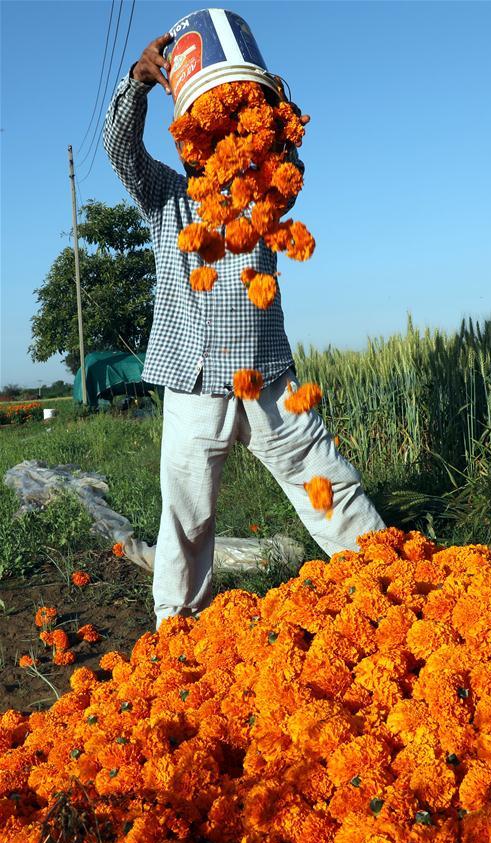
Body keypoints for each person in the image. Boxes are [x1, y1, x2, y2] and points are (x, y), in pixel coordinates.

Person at [103, 33, 385, 629]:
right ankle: (177, 624)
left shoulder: (263, 196)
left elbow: (292, 162)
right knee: (186, 511)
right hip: (193, 378)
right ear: (189, 144)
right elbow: (122, 153)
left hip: (267, 376)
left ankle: (385, 578)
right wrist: (139, 85)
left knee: (322, 477)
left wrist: (275, 106)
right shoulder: (169, 200)